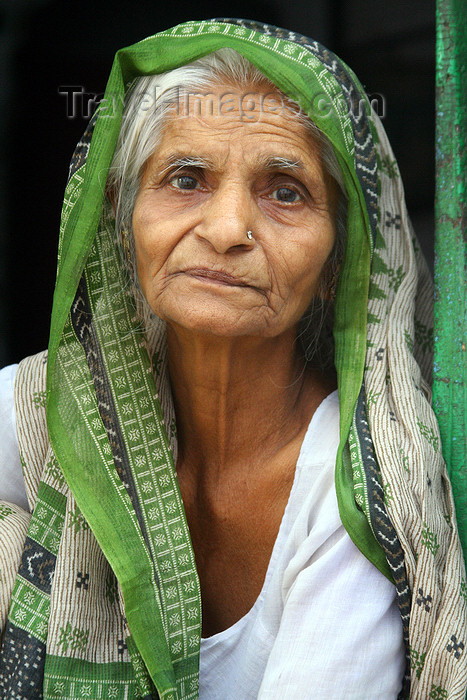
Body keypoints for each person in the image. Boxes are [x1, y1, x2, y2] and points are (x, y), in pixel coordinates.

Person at [0, 18, 465, 700]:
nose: (225, 232)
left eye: (285, 191)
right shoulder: (45, 409)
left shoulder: (358, 484)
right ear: (123, 221)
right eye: (185, 179)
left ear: (338, 264)